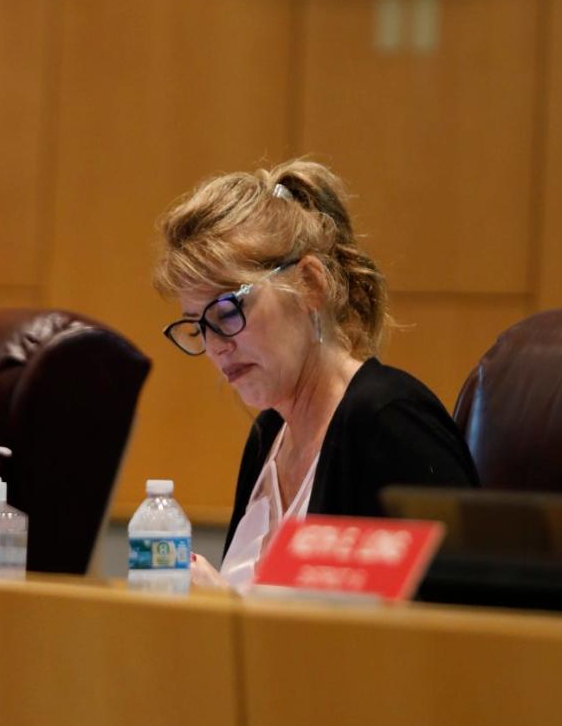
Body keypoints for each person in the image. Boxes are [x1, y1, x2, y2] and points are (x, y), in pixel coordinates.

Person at [155, 159, 479, 590]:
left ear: (309, 283)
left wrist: (228, 609)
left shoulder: (389, 421)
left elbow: (449, 634)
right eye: (198, 325)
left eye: (229, 310)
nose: (216, 345)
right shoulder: (269, 435)